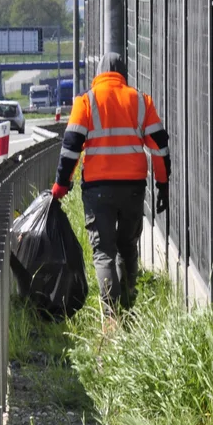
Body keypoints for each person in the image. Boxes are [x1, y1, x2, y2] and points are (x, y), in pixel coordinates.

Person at [50, 52, 171, 310]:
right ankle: (129, 299)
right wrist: (162, 183)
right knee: (127, 245)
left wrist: (62, 184)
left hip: (98, 188)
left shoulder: (86, 101)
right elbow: (160, 147)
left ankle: (111, 315)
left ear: (99, 73)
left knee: (103, 251)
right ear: (122, 74)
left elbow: (70, 147)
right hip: (133, 187)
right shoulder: (141, 101)